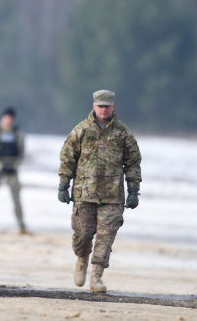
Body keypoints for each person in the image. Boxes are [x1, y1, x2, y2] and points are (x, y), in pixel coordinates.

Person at [58, 90, 142, 293]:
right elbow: (67, 158)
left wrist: (133, 190)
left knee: (106, 238)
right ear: (94, 106)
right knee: (83, 234)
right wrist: (63, 185)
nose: (103, 110)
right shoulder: (81, 130)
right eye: (100, 106)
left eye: (107, 106)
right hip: (84, 193)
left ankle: (96, 277)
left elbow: (133, 163)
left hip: (112, 196)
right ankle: (81, 258)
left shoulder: (123, 133)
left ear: (113, 107)